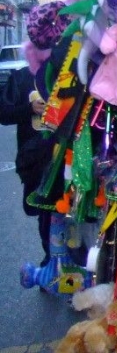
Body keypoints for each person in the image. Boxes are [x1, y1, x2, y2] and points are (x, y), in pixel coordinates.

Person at [0, 59, 51, 267]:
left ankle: (65, 260)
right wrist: (29, 108)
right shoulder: (21, 77)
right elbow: (4, 114)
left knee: (65, 211)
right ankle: (51, 257)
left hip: (67, 156)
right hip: (34, 160)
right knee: (44, 211)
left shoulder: (68, 71)